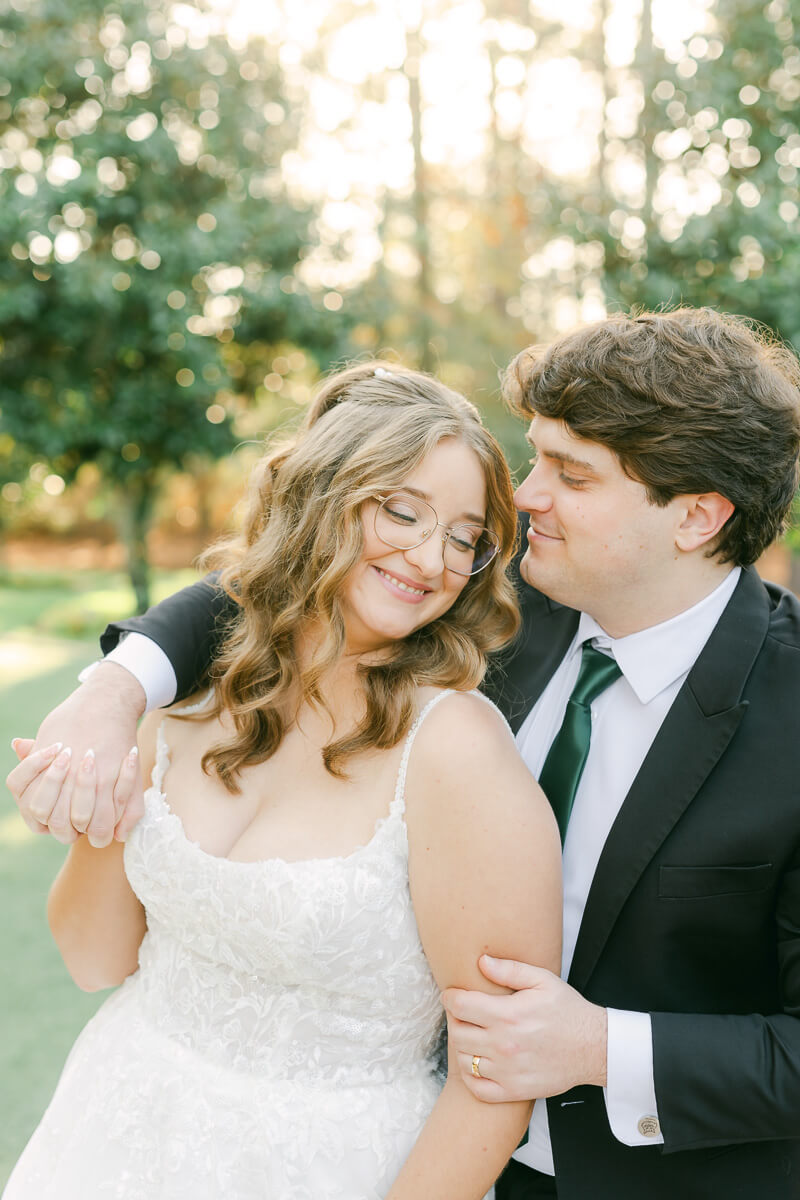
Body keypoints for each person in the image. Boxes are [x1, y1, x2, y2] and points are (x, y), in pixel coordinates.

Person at [10, 306, 800, 1198]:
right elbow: (283, 587)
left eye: (570, 474)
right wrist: (119, 689)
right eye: (534, 458)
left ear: (696, 516)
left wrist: (600, 1047)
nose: (525, 498)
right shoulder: (489, 598)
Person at [2, 362, 562, 1200]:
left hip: (330, 1167)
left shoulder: (456, 749)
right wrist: (103, 807)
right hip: (113, 1128)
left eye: (462, 536)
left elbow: (499, 1075)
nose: (430, 556)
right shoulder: (195, 688)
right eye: (403, 512)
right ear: (323, 497)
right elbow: (93, 957)